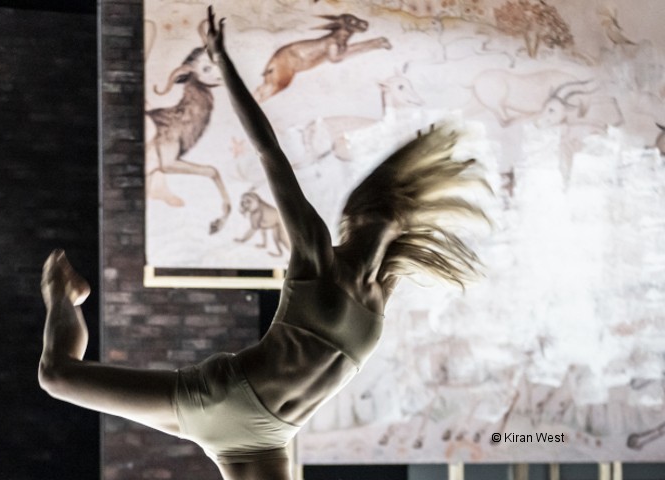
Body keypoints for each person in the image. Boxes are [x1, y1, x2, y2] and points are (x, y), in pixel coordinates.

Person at [38, 7, 489, 480]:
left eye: (387, 219)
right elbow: (267, 149)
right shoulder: (321, 258)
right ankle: (63, 292)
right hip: (246, 415)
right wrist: (223, 63)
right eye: (380, 217)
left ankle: (61, 293)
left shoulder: (378, 289)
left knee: (57, 376)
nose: (380, 227)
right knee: (56, 375)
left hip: (252, 418)